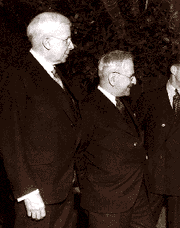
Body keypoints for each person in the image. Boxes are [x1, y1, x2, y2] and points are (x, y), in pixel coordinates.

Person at [0, 12, 80, 228]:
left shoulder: (57, 75)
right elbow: (10, 138)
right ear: (47, 42)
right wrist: (27, 191)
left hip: (62, 189)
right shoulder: (16, 76)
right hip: (38, 195)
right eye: (66, 40)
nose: (71, 46)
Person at [76, 50, 154, 228]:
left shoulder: (123, 103)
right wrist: (91, 190)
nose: (134, 81)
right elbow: (76, 154)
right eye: (131, 76)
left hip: (135, 193)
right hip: (107, 201)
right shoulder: (87, 109)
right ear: (113, 78)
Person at [136, 48, 180, 228]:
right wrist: (143, 159)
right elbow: (134, 133)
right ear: (174, 70)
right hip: (153, 175)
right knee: (144, 224)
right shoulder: (149, 98)